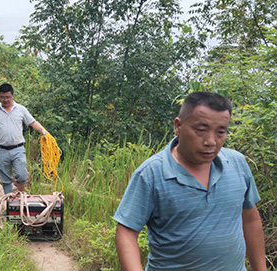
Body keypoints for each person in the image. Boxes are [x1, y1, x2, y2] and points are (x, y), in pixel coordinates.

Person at [114, 92, 266, 271]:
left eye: (221, 132)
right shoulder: (152, 173)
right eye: (201, 130)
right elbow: (127, 232)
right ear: (178, 126)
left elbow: (250, 220)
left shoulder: (237, 163)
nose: (211, 141)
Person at [0, 83, 49, 194]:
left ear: (12, 96)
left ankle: (21, 197)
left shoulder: (20, 109)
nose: (5, 100)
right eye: (2, 97)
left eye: (8, 97)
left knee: (21, 175)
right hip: (1, 150)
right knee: (5, 180)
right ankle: (10, 203)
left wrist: (43, 131)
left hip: (18, 149)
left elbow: (32, 122)